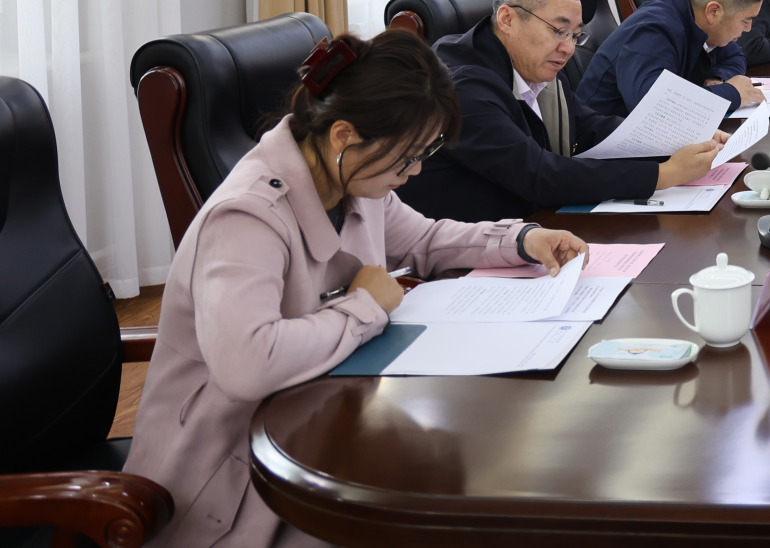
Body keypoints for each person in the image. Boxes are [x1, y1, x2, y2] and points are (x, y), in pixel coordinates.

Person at [125, 29, 590, 548]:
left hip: (321, 418)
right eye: (406, 157)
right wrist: (366, 306)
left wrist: (521, 239)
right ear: (344, 134)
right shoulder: (246, 216)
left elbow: (425, 239)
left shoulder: (352, 178)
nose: (414, 171)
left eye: (422, 154)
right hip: (232, 475)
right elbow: (247, 364)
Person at [399, 0, 729, 221]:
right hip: (462, 258)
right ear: (507, 20)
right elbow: (538, 173)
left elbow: (591, 129)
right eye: (559, 30)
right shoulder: (461, 88)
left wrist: (681, 136)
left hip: (530, 226)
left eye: (575, 35)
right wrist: (663, 174)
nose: (568, 48)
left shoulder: (533, 68)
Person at [577, 0, 767, 116]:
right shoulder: (653, 32)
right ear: (713, 12)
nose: (748, 29)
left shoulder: (699, 17)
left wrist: (718, 79)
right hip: (603, 139)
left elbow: (734, 56)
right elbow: (655, 107)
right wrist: (731, 94)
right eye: (746, 20)